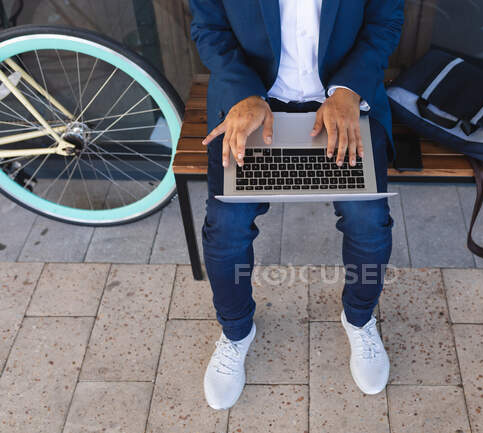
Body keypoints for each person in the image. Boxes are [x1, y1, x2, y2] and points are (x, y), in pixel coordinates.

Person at [189, 0, 404, 410]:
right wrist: (244, 94)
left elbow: (385, 21)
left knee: (369, 219)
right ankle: (236, 332)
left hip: (343, 101)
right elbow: (209, 28)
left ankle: (359, 318)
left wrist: (348, 89)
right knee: (226, 226)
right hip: (254, 101)